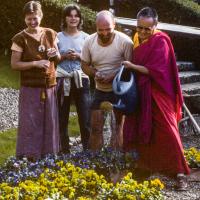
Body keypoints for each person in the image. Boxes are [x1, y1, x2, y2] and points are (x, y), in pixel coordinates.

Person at [122, 7, 190, 190]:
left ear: (155, 26)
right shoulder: (135, 39)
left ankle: (180, 172)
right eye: (140, 28)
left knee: (168, 131)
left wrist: (132, 66)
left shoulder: (161, 41)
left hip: (159, 92)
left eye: (147, 29)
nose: (143, 32)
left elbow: (156, 71)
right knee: (142, 129)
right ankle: (145, 167)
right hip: (141, 91)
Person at [11, 1, 60, 160]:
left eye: (35, 18)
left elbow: (58, 58)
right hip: (30, 87)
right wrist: (35, 63)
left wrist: (55, 55)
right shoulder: (20, 38)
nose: (32, 22)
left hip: (49, 85)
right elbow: (14, 64)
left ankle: (48, 156)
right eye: (29, 19)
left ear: (41, 16)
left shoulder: (50, 34)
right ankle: (29, 157)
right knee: (30, 123)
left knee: (49, 122)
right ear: (24, 19)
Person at [81, 10, 133, 150]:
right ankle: (96, 160)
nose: (104, 33)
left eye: (108, 29)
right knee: (96, 127)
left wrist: (114, 76)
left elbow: (130, 67)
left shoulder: (125, 42)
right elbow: (84, 65)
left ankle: (117, 159)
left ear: (114, 25)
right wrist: (94, 73)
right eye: (100, 30)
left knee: (117, 128)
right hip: (99, 89)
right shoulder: (89, 41)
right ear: (95, 28)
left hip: (119, 90)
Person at [56, 4, 90, 153]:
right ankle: (64, 150)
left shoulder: (87, 38)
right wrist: (64, 56)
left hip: (81, 79)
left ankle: (87, 150)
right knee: (61, 117)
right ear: (65, 18)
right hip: (63, 79)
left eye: (76, 15)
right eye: (70, 15)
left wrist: (78, 56)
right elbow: (53, 60)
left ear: (80, 18)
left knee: (85, 116)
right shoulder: (57, 37)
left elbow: (92, 60)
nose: (73, 18)